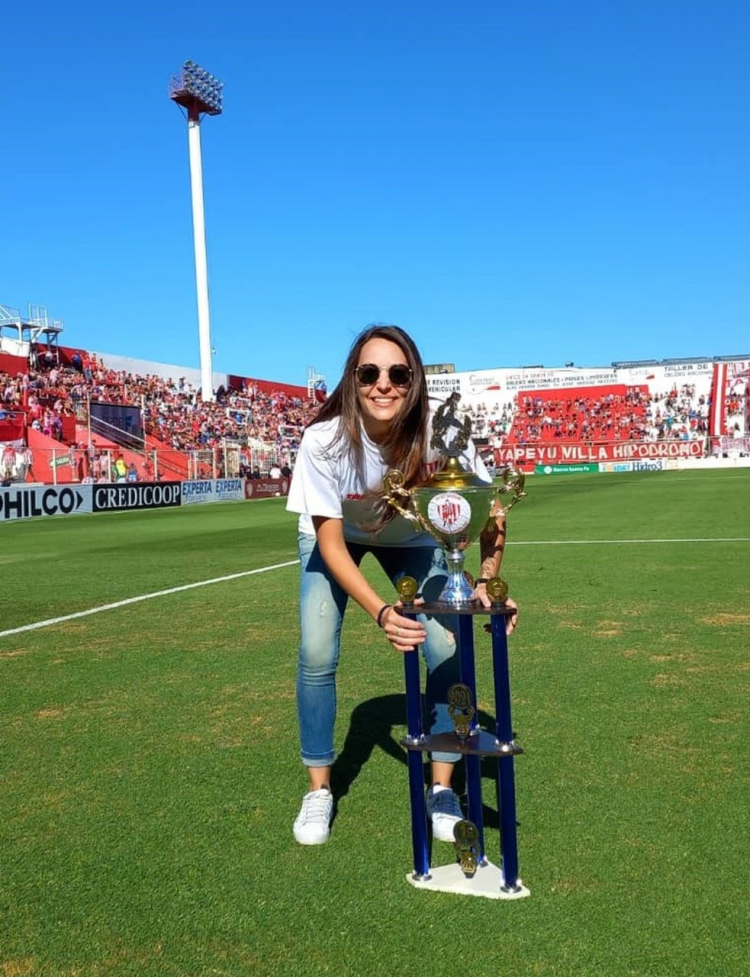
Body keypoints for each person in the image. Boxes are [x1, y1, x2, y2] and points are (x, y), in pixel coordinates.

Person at [286, 324, 517, 846]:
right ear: (352, 380)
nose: (383, 384)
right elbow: (330, 544)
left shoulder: (441, 429)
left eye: (398, 373)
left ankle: (441, 788)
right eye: (369, 373)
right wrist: (383, 612)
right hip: (337, 538)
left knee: (446, 642)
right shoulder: (323, 439)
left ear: (414, 380)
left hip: (412, 537)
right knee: (317, 648)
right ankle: (320, 788)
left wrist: (484, 582)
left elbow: (490, 511)